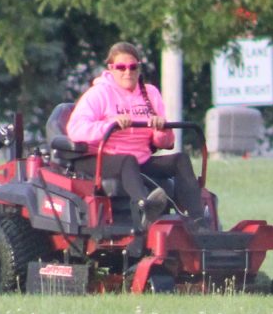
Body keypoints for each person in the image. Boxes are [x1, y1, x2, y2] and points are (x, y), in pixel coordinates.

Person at [64, 41, 206, 225]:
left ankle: (199, 221)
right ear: (111, 68)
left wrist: (161, 130)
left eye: (132, 67)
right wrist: (109, 125)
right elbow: (75, 129)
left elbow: (164, 142)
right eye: (121, 67)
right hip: (103, 158)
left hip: (142, 158)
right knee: (127, 160)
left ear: (139, 68)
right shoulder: (98, 94)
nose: (127, 72)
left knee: (180, 159)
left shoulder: (151, 93)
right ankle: (145, 207)